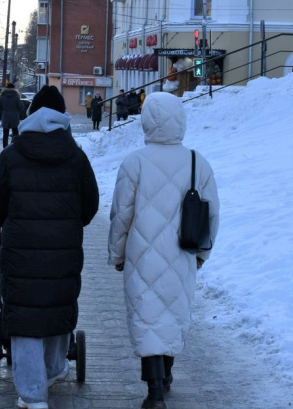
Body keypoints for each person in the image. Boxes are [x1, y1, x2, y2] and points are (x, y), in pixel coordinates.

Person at [0, 85, 99, 409]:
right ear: (62, 116)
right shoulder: (76, 157)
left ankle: (33, 395)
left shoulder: (10, 156)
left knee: (23, 319)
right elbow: (90, 206)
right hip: (63, 254)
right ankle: (54, 370)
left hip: (20, 254)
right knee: (57, 309)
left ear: (30, 114)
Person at [107, 92, 220, 409]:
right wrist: (201, 255)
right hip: (182, 255)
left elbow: (121, 215)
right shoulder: (198, 162)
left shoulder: (135, 162)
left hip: (141, 256)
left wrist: (117, 255)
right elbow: (211, 216)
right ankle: (166, 374)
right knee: (170, 311)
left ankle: (155, 391)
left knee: (147, 315)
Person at [0, 82, 23, 148]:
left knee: (5, 133)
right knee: (15, 132)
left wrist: (3, 109)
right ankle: (15, 146)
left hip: (5, 116)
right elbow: (21, 106)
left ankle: (5, 147)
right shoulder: (16, 96)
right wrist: (17, 111)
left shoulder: (2, 96)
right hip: (14, 116)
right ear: (14, 88)